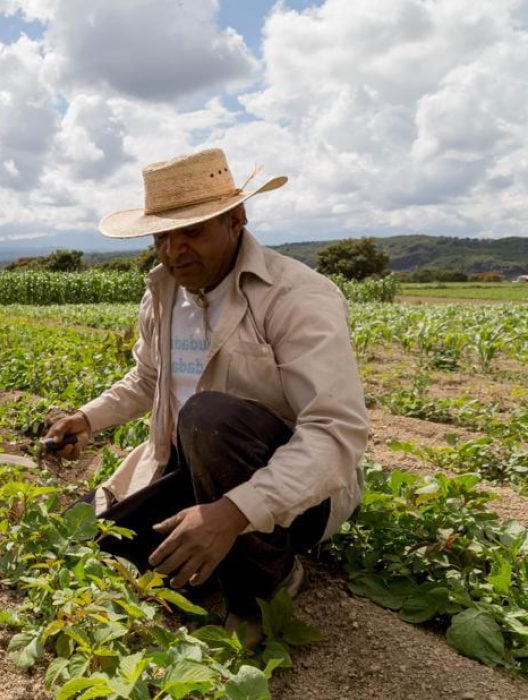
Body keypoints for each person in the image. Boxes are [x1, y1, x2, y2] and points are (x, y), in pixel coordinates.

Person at [43, 147, 369, 641]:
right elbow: (148, 379)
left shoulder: (297, 297)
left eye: (192, 231)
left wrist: (232, 513)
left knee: (209, 417)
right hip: (192, 471)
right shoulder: (164, 294)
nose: (175, 251)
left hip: (296, 496)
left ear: (235, 220)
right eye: (163, 236)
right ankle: (214, 552)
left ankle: (266, 583)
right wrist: (85, 419)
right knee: (97, 548)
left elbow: (335, 431)